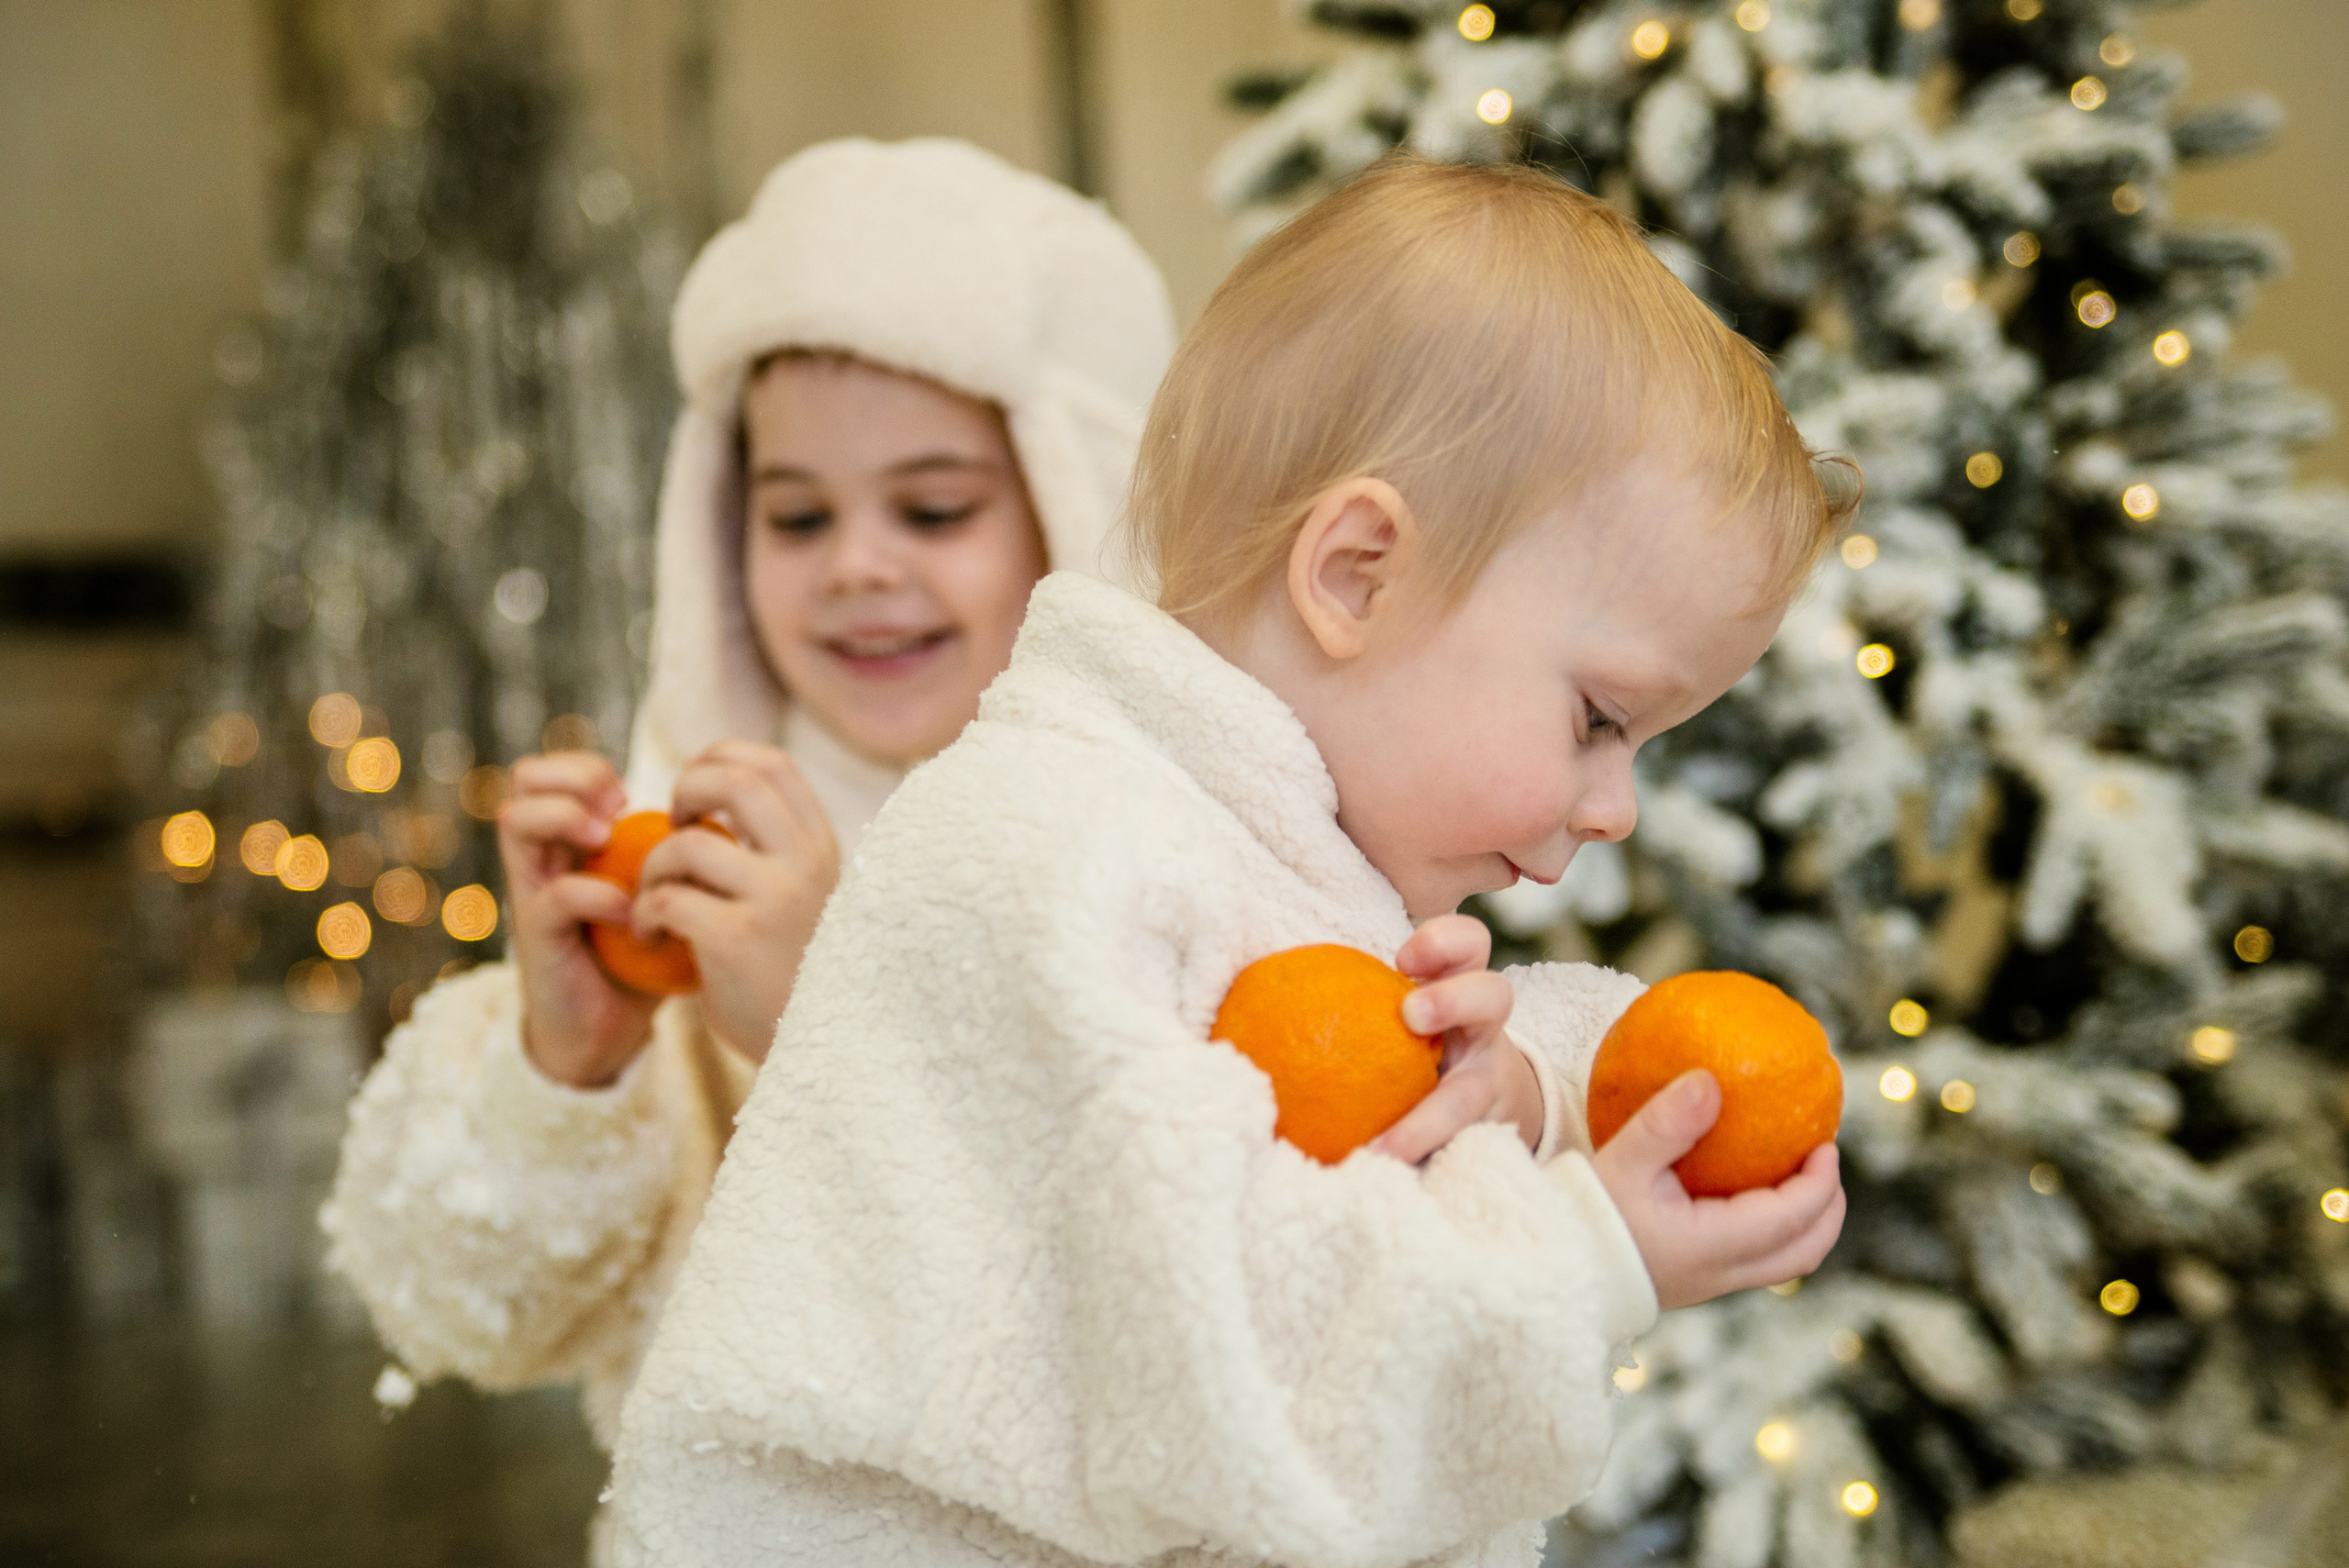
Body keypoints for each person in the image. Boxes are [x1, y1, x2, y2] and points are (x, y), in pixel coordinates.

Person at [606, 155, 1857, 1568]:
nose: (1618, 804)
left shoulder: (1265, 844)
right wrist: (1577, 1256)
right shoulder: (1048, 853)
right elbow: (1208, 1364)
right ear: (1355, 573)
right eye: (1600, 719)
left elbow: (1330, 1157)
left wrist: (1523, 1101)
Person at [322, 137, 1175, 1481]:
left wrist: (827, 1019)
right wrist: (570, 1062)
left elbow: (1168, 1298)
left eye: (935, 507)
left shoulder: (1171, 858)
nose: (857, 568)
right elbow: (465, 1310)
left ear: (1084, 509)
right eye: (795, 517)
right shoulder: (684, 845)